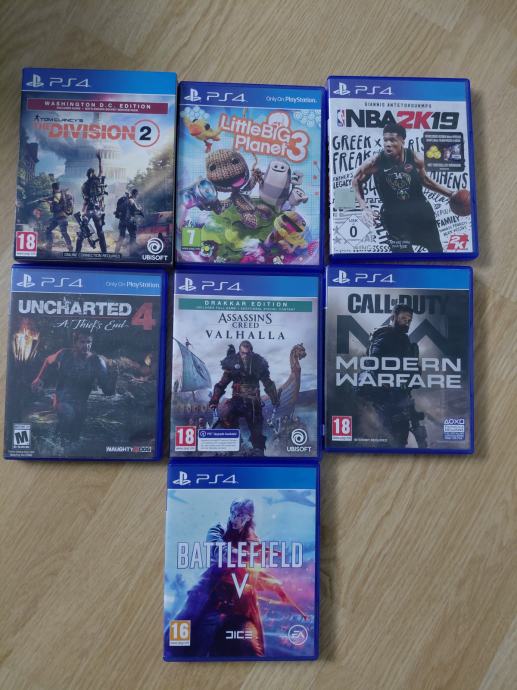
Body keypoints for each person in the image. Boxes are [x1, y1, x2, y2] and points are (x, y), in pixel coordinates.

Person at [167, 499, 305, 658]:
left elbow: (255, 572)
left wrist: (280, 592)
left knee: (251, 647)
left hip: (239, 603)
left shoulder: (253, 541)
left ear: (248, 517)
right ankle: (171, 649)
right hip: (209, 593)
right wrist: (248, 555)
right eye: (233, 513)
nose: (235, 518)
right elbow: (219, 550)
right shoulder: (218, 529)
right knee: (182, 625)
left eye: (240, 515)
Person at [352, 122, 453, 253]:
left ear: (402, 141)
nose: (388, 144)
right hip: (394, 216)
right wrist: (364, 208)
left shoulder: (416, 158)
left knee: (436, 252)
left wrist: (450, 194)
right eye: (385, 140)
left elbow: (425, 180)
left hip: (421, 212)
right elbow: (356, 180)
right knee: (403, 257)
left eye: (392, 140)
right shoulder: (374, 162)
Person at [31, 330, 116, 445]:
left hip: (81, 406)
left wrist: (113, 378)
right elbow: (48, 360)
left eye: (89, 342)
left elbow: (108, 392)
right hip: (62, 400)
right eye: (82, 342)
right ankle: (51, 448)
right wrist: (38, 378)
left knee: (73, 439)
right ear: (75, 342)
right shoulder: (64, 354)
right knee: (67, 415)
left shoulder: (97, 362)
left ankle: (55, 446)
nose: (86, 345)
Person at [359, 304, 427, 447]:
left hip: (401, 394)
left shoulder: (404, 339)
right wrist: (383, 381)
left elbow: (408, 365)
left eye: (409, 320)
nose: (406, 322)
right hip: (385, 397)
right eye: (403, 318)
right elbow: (372, 362)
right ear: (393, 317)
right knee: (387, 436)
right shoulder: (384, 337)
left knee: (402, 437)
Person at [209, 341, 279, 456]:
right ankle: (234, 445)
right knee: (227, 415)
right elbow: (222, 383)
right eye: (243, 353)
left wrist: (275, 399)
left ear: (251, 351)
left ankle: (258, 450)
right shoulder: (233, 362)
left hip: (253, 401)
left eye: (247, 353)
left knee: (256, 426)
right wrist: (214, 400)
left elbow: (268, 382)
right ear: (239, 352)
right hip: (237, 399)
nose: (245, 356)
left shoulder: (258, 362)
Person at [77, 151, 108, 252]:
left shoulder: (85, 185)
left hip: (90, 210)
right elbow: (101, 170)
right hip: (97, 211)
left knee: (83, 230)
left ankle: (77, 252)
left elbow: (85, 200)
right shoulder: (97, 180)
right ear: (93, 173)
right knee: (100, 232)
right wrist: (100, 159)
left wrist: (83, 210)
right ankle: (104, 252)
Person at [42, 181, 73, 252]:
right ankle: (50, 245)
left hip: (60, 217)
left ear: (53, 188)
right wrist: (46, 199)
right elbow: (52, 198)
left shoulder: (57, 195)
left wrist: (49, 203)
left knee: (62, 232)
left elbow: (55, 207)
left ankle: (68, 246)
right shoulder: (61, 194)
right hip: (59, 217)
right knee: (50, 230)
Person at [114, 188, 143, 254]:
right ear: (135, 194)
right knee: (133, 236)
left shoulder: (124, 200)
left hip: (122, 221)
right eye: (137, 194)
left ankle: (116, 252)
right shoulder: (131, 200)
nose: (137, 196)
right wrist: (140, 209)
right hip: (130, 221)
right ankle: (132, 252)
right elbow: (136, 210)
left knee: (121, 236)